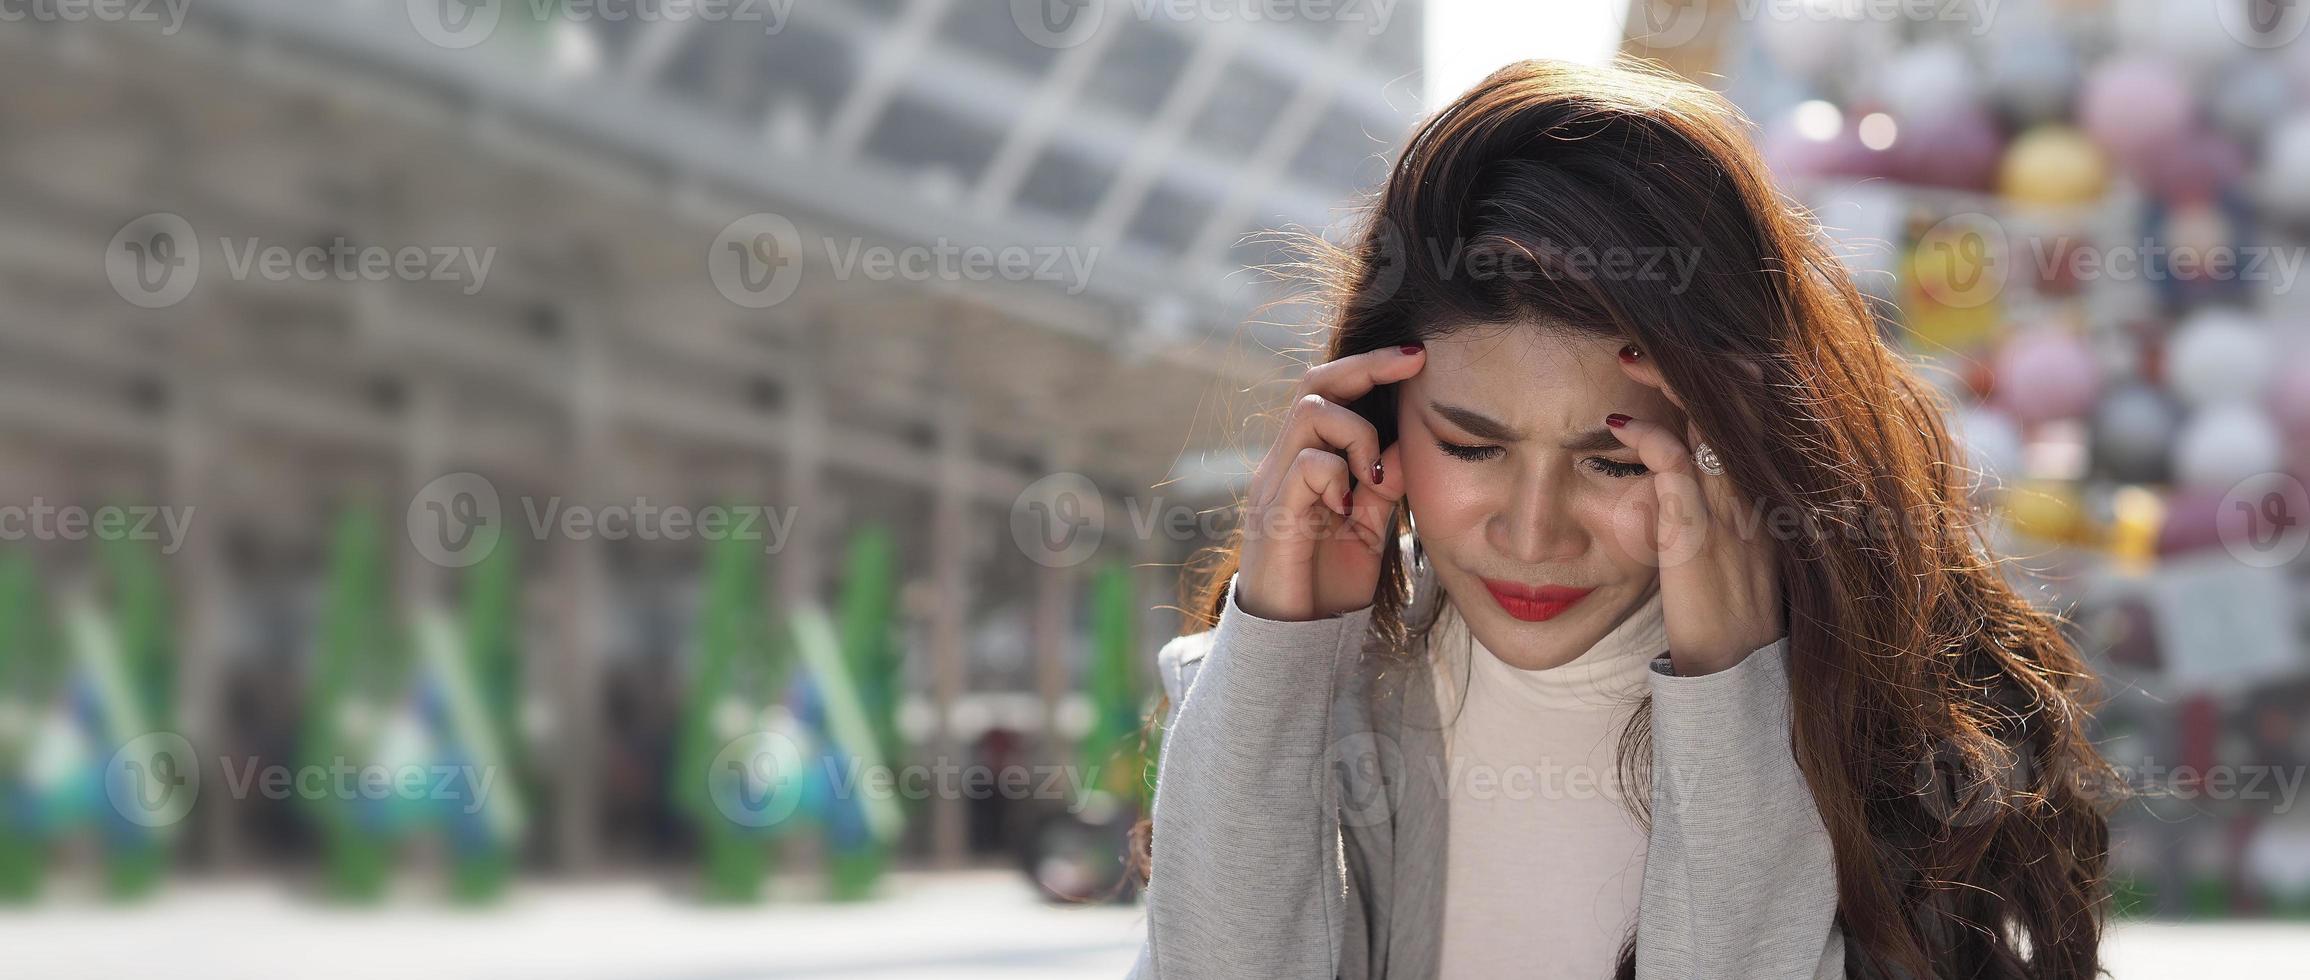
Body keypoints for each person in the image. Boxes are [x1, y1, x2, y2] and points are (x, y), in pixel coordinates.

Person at [1124, 59, 2114, 980]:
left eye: (1612, 459)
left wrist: (1732, 689)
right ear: (1377, 423)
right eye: (1473, 447)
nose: (1535, 530)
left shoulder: (1890, 736)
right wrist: (1272, 654)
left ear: (1726, 441)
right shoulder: (1300, 710)